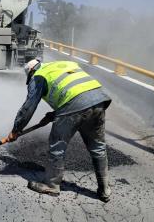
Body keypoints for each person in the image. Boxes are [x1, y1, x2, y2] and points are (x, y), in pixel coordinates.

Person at [7, 59, 112, 202]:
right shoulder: (62, 65)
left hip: (76, 104)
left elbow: (28, 107)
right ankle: (105, 190)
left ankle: (51, 185)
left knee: (57, 145)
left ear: (31, 71)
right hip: (98, 100)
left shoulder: (38, 76)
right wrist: (53, 114)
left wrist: (16, 129)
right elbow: (73, 90)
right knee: (98, 147)